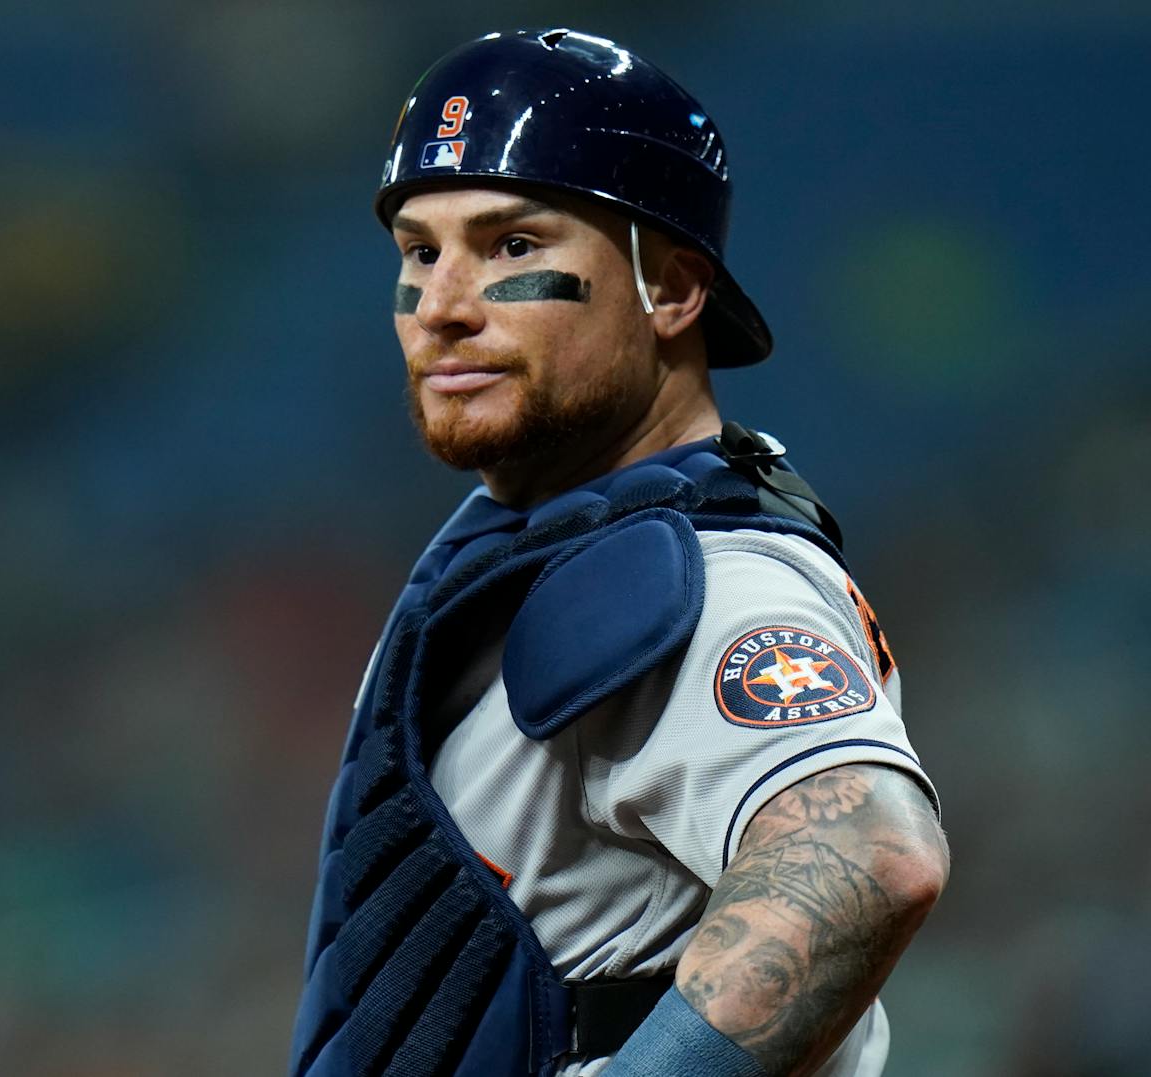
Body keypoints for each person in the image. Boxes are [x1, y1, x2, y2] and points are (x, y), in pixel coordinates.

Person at [291, 28, 948, 1077]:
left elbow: (867, 860)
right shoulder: (523, 553)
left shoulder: (703, 583)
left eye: (514, 246)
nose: (445, 307)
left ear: (673, 292)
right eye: (421, 251)